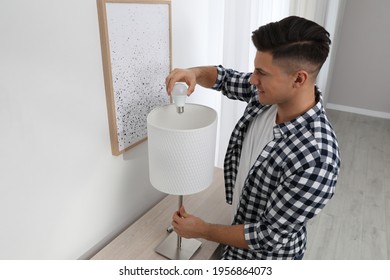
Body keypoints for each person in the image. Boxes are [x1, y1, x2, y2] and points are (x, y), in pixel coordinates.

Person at [165, 16, 340, 260]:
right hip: (237, 230)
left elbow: (268, 236)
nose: (252, 79)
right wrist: (192, 73)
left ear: (298, 79)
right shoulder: (267, 97)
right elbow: (225, 79)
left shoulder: (317, 158)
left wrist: (203, 230)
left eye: (261, 72)